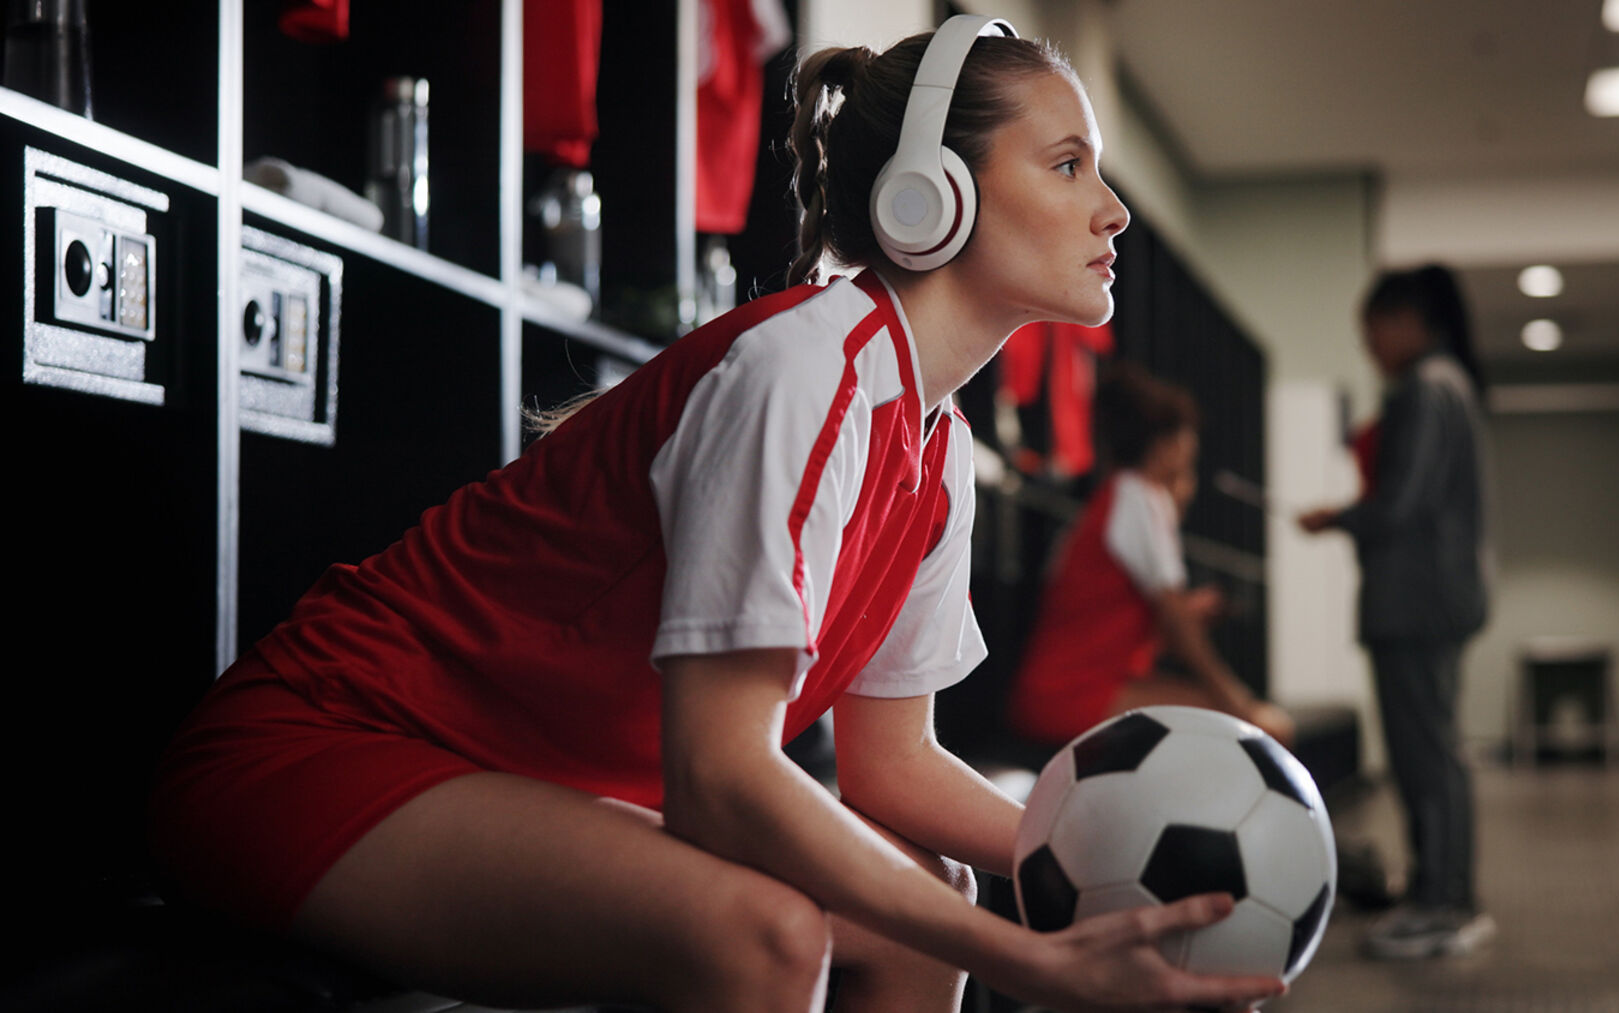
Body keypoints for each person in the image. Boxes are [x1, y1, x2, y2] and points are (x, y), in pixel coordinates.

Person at [145, 17, 1289, 1013]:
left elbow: (894, 768)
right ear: (933, 194)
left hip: (525, 783)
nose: (1115, 209)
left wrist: (1130, 866)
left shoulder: (937, 448)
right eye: (1068, 161)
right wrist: (1027, 957)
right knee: (768, 932)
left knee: (922, 899)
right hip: (323, 751)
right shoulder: (798, 370)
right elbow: (721, 774)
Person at [1296, 263, 1495, 960]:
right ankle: (1444, 892)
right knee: (1436, 752)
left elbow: (1399, 505)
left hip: (1417, 601)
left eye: (1372, 330)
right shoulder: (1453, 386)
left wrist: (1336, 517)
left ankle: (1441, 904)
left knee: (1425, 756)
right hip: (1439, 598)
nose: (1370, 346)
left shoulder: (1422, 391)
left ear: (1408, 321)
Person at [1005, 364, 1296, 750]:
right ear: (1167, 444)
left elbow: (1128, 614)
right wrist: (1239, 701)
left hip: (1066, 690)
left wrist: (1186, 613)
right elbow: (1174, 618)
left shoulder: (1117, 497)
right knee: (1259, 731)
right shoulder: (1139, 496)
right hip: (1070, 696)